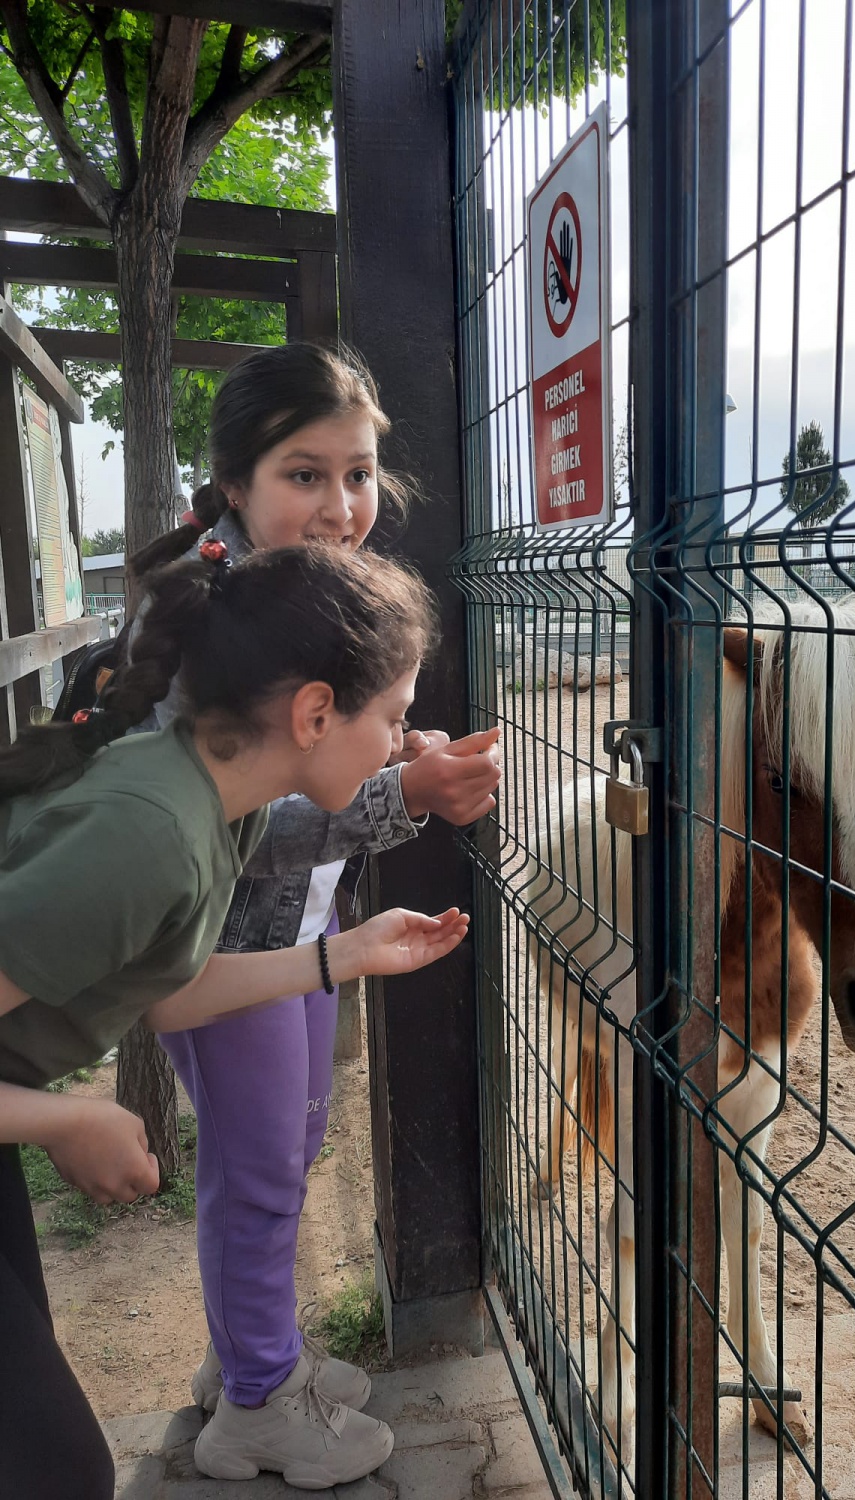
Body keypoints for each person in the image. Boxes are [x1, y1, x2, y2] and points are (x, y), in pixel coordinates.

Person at [0, 541, 468, 1499]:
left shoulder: (222, 802)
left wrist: (348, 953)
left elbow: (165, 990)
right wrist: (65, 1119)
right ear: (312, 712)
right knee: (53, 1467)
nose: (401, 744)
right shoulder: (153, 831)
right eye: (393, 716)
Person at [125, 342, 502, 1489]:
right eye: (305, 474)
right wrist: (407, 796)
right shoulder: (208, 618)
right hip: (225, 952)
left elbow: (313, 762)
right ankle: (254, 1408)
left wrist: (396, 750)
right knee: (261, 1169)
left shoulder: (297, 590)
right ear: (233, 480)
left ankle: (252, 1359)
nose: (342, 508)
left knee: (287, 1149)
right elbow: (230, 822)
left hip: (299, 936)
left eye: (359, 472)